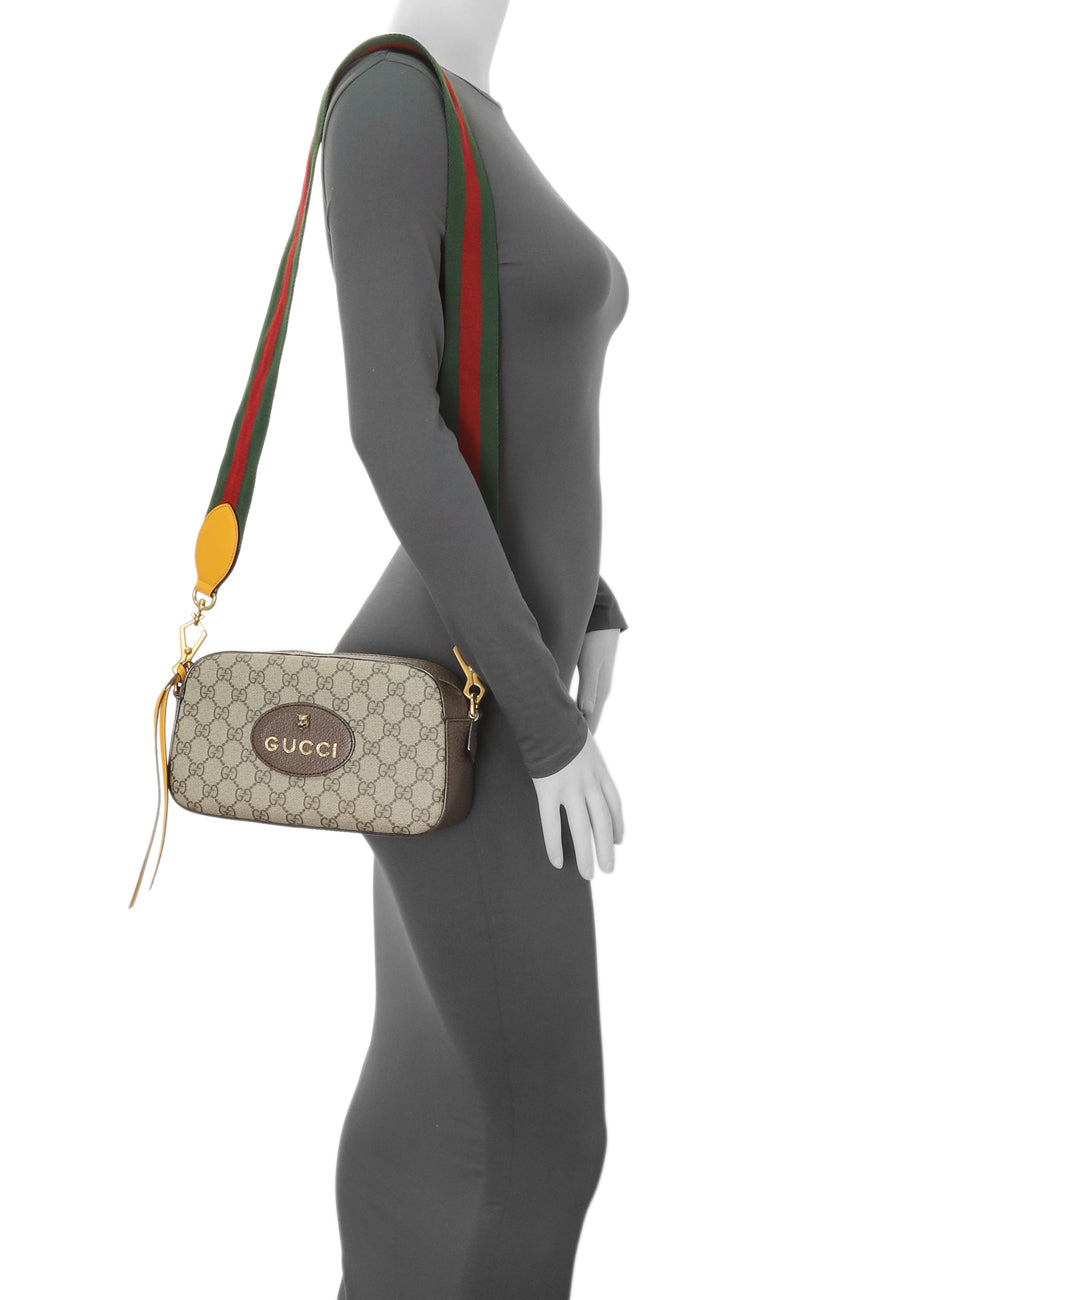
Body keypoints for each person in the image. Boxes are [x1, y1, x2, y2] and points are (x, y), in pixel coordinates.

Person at [320, 3, 630, 1295]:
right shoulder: (392, 101)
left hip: (487, 674)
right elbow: (394, 425)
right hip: (455, 698)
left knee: (440, 1112)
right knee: (544, 1139)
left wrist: (590, 600)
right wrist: (545, 725)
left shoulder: (467, 110)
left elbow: (505, 410)